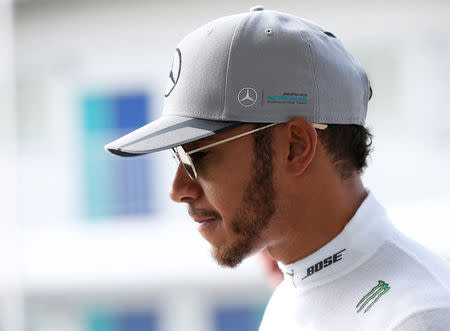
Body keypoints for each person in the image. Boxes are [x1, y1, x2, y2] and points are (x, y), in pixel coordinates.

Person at [105, 7, 450, 330]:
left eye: (200, 155)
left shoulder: (419, 316)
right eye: (177, 156)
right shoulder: (290, 295)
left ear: (295, 146)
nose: (178, 189)